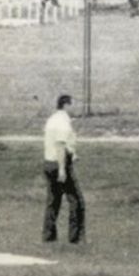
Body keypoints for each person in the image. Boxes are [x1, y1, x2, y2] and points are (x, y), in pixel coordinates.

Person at [42, 94, 85, 244]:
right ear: (66, 105)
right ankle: (75, 238)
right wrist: (62, 169)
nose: (76, 108)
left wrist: (72, 155)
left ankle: (48, 237)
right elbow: (60, 145)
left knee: (53, 201)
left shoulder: (52, 119)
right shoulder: (63, 122)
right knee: (77, 200)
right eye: (74, 104)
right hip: (59, 163)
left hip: (48, 162)